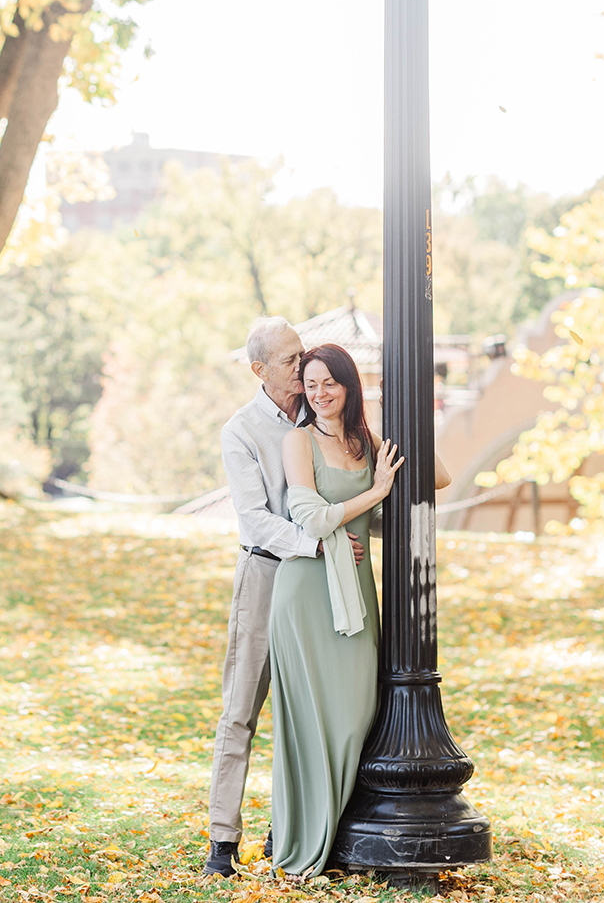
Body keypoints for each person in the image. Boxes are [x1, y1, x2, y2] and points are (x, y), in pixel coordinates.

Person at [270, 343, 455, 879]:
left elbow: (436, 478)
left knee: (355, 716)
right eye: (310, 385)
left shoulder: (364, 441)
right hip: (306, 593)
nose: (320, 394)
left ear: (349, 387)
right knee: (311, 722)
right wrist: (374, 493)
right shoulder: (298, 441)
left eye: (330, 383)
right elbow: (309, 518)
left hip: (356, 590)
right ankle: (313, 844)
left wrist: (417, 424)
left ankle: (340, 833)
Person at [202, 318, 364, 878]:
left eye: (303, 355)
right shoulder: (241, 431)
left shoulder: (321, 410)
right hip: (269, 573)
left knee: (308, 710)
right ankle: (222, 841)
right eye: (292, 359)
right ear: (260, 370)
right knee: (242, 709)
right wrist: (320, 547)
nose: (304, 366)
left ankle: (292, 829)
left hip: (326, 583)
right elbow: (254, 520)